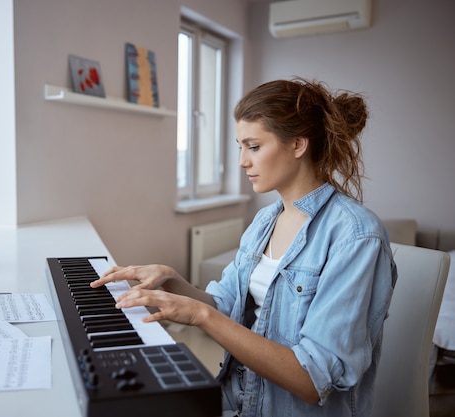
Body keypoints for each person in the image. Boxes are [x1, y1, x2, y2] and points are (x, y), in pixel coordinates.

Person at [90, 78, 397, 416]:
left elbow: (313, 379)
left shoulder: (356, 236)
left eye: (253, 146)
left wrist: (201, 316)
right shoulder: (264, 221)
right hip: (238, 402)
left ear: (297, 145)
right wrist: (171, 280)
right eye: (240, 146)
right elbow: (226, 306)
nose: (242, 162)